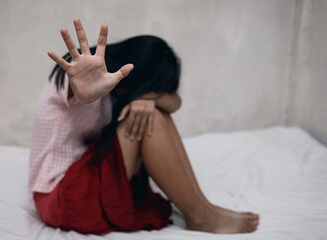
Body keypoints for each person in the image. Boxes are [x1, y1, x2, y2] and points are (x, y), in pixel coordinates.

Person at [29, 18, 259, 235]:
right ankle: (200, 216)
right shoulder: (76, 74)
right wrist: (83, 90)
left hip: (81, 182)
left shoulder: (119, 90)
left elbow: (174, 101)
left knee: (156, 113)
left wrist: (148, 98)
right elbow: (77, 90)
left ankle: (204, 208)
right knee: (153, 119)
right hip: (59, 198)